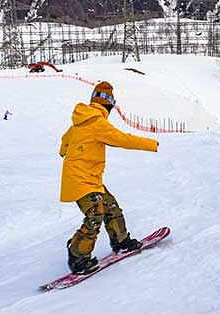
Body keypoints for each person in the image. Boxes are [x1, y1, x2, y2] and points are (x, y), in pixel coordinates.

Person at [58, 81, 159, 274]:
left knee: (110, 205)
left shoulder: (80, 121)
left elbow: (65, 141)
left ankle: (120, 241)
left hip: (89, 178)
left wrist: (66, 152)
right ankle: (78, 255)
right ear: (109, 104)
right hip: (81, 181)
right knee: (96, 211)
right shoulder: (97, 123)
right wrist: (151, 144)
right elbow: (123, 139)